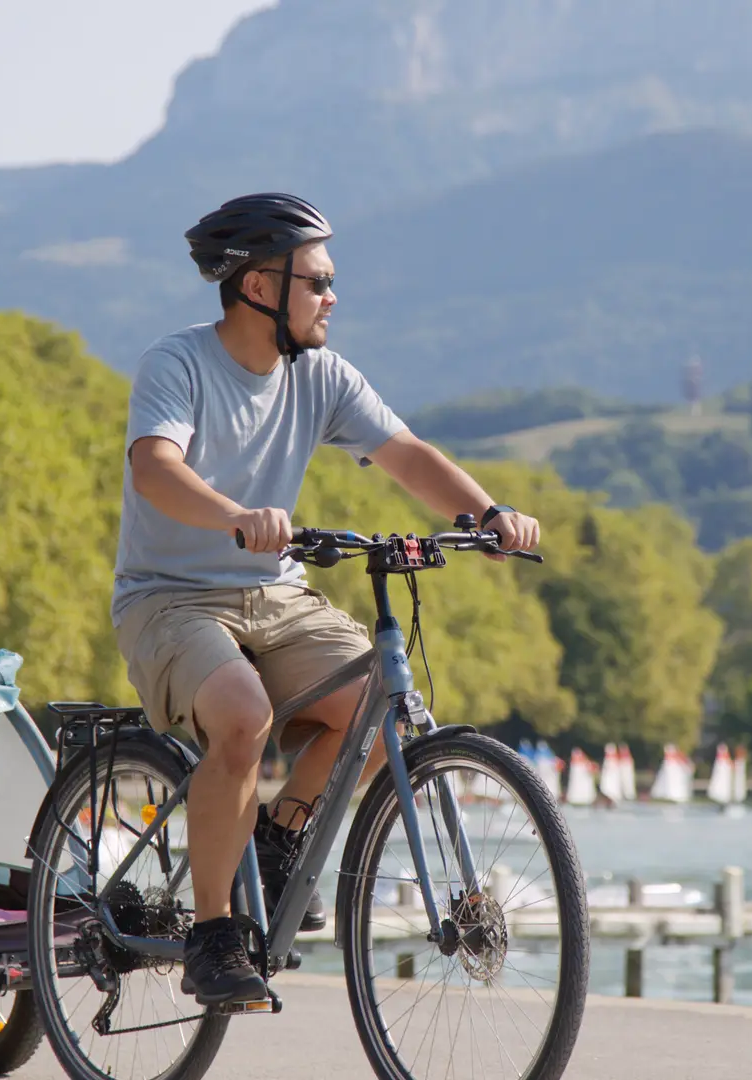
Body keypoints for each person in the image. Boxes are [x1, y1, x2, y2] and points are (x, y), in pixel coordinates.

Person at [113, 192, 542, 1005]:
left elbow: (408, 454)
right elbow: (155, 469)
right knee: (242, 716)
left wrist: (488, 514)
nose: (332, 298)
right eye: (317, 282)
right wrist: (235, 515)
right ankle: (213, 935)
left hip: (275, 594)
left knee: (386, 704)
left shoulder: (322, 375)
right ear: (258, 287)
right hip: (170, 599)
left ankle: (278, 841)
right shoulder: (179, 363)